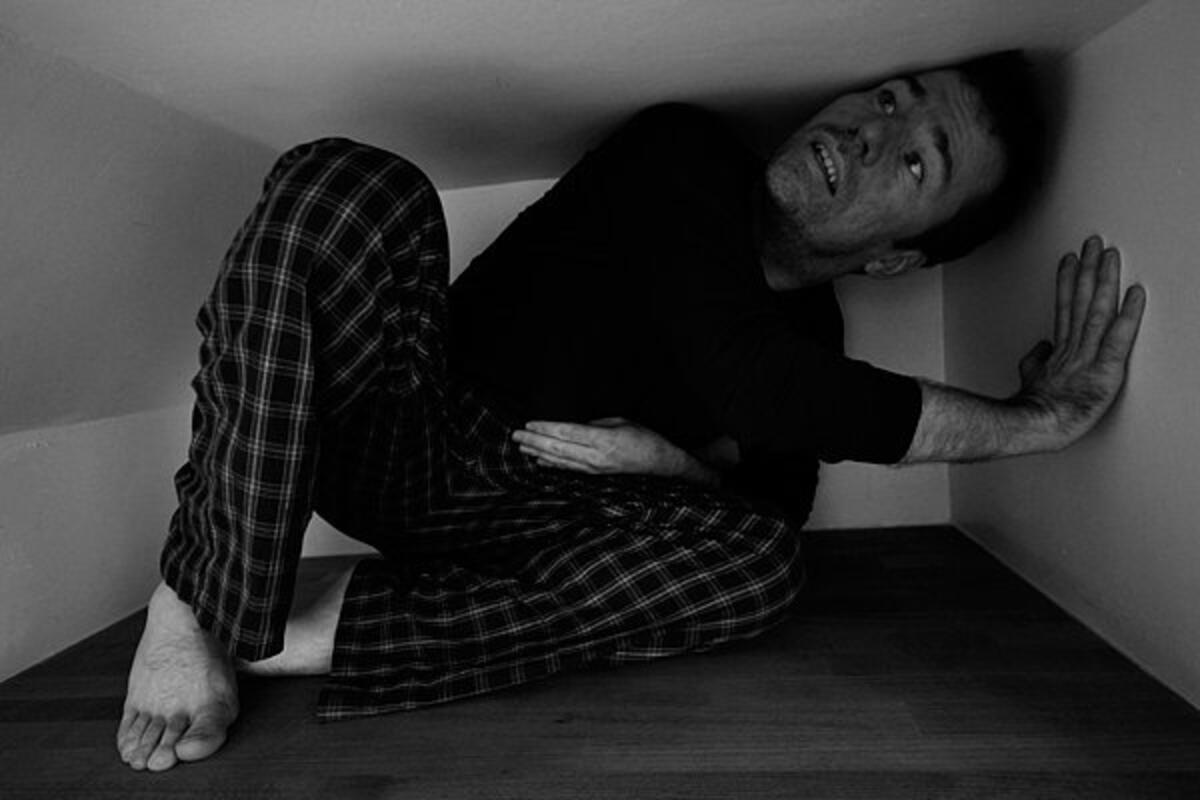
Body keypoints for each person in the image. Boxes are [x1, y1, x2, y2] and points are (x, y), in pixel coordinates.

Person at [116, 51, 1145, 771]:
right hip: (412, 431)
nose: (871, 133)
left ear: (895, 260)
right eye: (888, 99)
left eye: (918, 161)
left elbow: (774, 509)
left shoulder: (815, 341)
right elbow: (753, 382)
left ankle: (298, 635)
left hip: (538, 528)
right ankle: (200, 599)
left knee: (764, 567)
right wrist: (1032, 421)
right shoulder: (683, 154)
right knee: (350, 187)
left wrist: (671, 465)